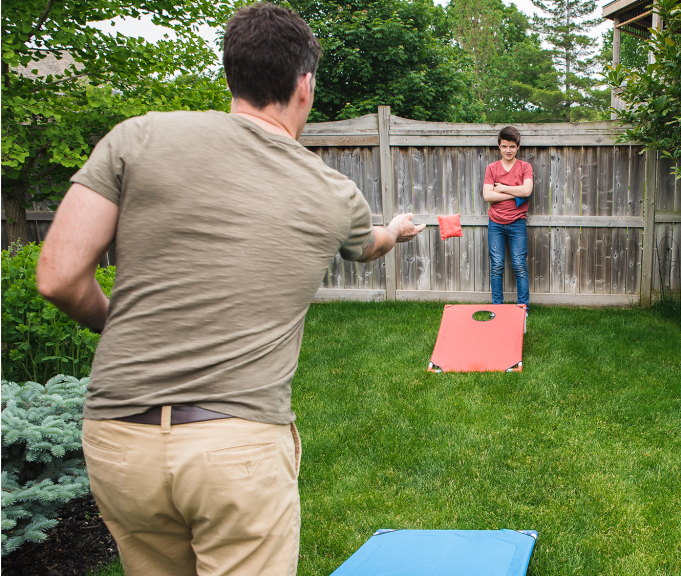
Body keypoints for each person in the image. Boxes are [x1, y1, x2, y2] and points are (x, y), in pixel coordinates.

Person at [34, 4, 425, 575]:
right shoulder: (332, 193)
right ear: (305, 85)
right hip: (234, 447)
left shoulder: (138, 137)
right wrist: (395, 230)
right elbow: (369, 246)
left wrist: (111, 322)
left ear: (231, 75)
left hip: (119, 441)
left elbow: (59, 276)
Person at [482, 126, 534, 310]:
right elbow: (488, 196)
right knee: (496, 266)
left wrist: (502, 188)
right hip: (495, 223)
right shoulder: (492, 168)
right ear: (499, 146)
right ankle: (497, 308)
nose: (508, 150)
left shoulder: (525, 167)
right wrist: (516, 193)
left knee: (520, 265)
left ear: (518, 146)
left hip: (517, 223)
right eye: (504, 146)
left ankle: (523, 308)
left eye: (512, 146)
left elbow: (527, 190)